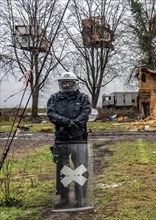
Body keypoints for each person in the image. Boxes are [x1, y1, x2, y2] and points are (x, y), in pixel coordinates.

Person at [47, 72, 91, 208]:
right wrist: (65, 122)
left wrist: (75, 123)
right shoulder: (54, 98)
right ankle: (63, 197)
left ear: (75, 83)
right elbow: (51, 113)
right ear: (61, 84)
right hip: (61, 138)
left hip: (78, 138)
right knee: (62, 168)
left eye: (69, 82)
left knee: (80, 167)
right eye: (64, 83)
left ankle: (81, 197)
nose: (66, 85)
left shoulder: (83, 97)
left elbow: (86, 113)